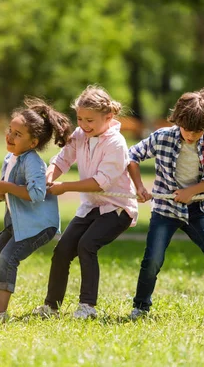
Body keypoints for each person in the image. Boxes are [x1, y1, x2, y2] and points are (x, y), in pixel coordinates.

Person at [127, 87, 204, 321]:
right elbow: (132, 156)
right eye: (187, 129)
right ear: (178, 120)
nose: (191, 135)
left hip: (197, 208)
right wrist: (139, 187)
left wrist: (192, 192)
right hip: (165, 210)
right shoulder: (162, 137)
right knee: (153, 258)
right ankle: (140, 307)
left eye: (198, 131)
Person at [0, 98, 72, 321]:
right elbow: (3, 195)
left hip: (38, 225)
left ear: (33, 142)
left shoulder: (33, 162)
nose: (10, 136)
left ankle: (0, 312)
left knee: (8, 257)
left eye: (18, 134)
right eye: (10, 130)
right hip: (17, 223)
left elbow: (37, 194)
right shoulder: (10, 158)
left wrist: (8, 187)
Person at [32, 85, 138, 319]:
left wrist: (65, 187)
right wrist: (49, 176)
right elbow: (61, 160)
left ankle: (87, 307)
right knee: (62, 250)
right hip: (91, 206)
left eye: (90, 120)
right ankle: (51, 306)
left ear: (108, 117)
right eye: (80, 118)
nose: (83, 124)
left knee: (87, 245)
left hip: (117, 209)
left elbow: (100, 182)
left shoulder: (116, 143)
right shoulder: (81, 135)